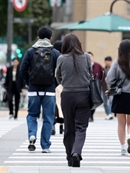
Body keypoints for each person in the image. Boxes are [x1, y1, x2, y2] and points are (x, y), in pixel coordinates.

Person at [20, 26, 60, 153]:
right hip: (49, 89)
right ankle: (45, 146)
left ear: (37, 37)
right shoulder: (55, 52)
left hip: (33, 89)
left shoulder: (31, 51)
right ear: (50, 38)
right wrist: (55, 83)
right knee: (48, 117)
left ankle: (32, 134)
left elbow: (22, 69)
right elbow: (60, 71)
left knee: (32, 114)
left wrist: (29, 82)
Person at [55, 33, 92, 167]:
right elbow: (91, 75)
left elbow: (57, 77)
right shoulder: (86, 57)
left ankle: (69, 156)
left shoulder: (61, 58)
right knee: (81, 128)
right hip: (84, 95)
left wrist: (65, 82)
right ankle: (76, 152)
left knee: (68, 127)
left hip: (68, 96)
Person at [88, 52, 104, 122]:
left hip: (95, 85)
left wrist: (100, 82)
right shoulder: (84, 65)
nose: (89, 58)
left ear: (93, 57)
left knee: (95, 100)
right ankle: (89, 116)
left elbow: (103, 74)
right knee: (88, 101)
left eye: (90, 56)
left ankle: (91, 115)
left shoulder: (98, 65)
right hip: (87, 85)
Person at [52, 40, 64, 135]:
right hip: (62, 84)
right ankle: (61, 126)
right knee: (62, 105)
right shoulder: (63, 57)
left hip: (52, 84)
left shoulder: (52, 55)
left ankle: (52, 124)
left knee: (53, 105)